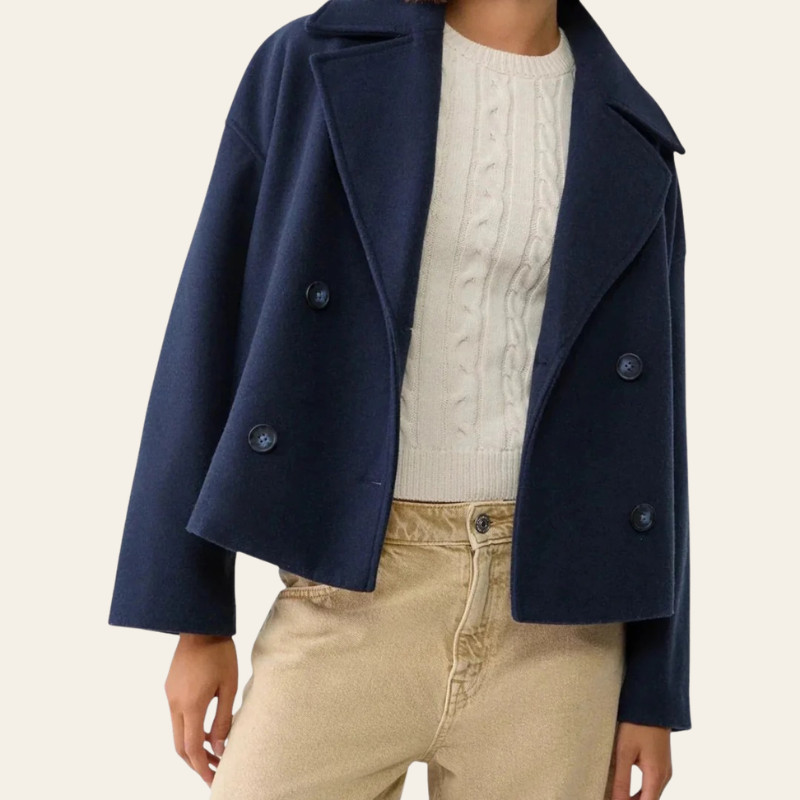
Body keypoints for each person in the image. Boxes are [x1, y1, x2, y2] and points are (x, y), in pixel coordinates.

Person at [108, 0, 691, 798]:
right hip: (350, 591)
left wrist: (653, 688)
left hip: (561, 638)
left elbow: (652, 431)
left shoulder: (632, 131)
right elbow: (210, 327)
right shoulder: (311, 61)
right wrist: (195, 614)